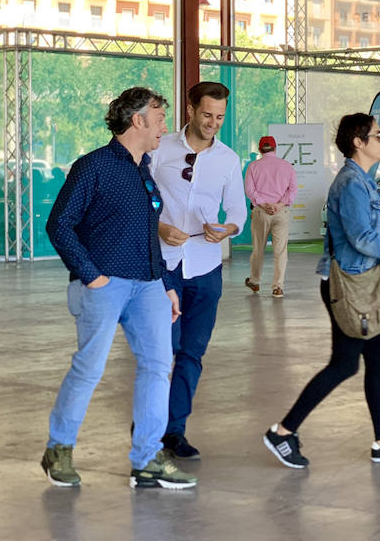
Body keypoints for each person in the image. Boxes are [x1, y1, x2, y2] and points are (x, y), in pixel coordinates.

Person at [262, 113, 380, 467]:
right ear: (357, 141)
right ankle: (282, 432)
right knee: (344, 364)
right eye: (376, 135)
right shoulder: (351, 184)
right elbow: (362, 239)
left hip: (367, 286)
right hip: (351, 288)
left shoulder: (365, 181)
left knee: (378, 358)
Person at [41, 87, 196, 489]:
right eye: (159, 118)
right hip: (104, 285)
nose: (165, 126)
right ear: (138, 120)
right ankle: (59, 449)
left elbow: (147, 234)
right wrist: (91, 274)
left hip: (148, 286)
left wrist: (166, 283)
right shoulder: (93, 166)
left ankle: (146, 459)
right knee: (90, 368)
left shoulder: (143, 168)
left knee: (159, 367)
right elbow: (59, 224)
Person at [150, 81, 247, 461]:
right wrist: (158, 226)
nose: (213, 123)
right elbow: (144, 197)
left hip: (206, 267)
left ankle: (175, 431)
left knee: (191, 353)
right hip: (164, 265)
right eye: (207, 114)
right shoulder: (162, 148)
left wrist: (228, 229)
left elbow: (238, 211)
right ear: (190, 109)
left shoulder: (228, 159)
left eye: (220, 116)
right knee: (163, 351)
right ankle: (149, 428)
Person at [244, 135, 298, 298]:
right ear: (275, 149)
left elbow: (249, 190)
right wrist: (279, 204)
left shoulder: (253, 167)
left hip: (261, 212)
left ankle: (254, 281)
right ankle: (278, 287)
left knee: (258, 249)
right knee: (280, 251)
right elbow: (293, 189)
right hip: (281, 212)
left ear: (260, 150)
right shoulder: (287, 166)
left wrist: (263, 203)